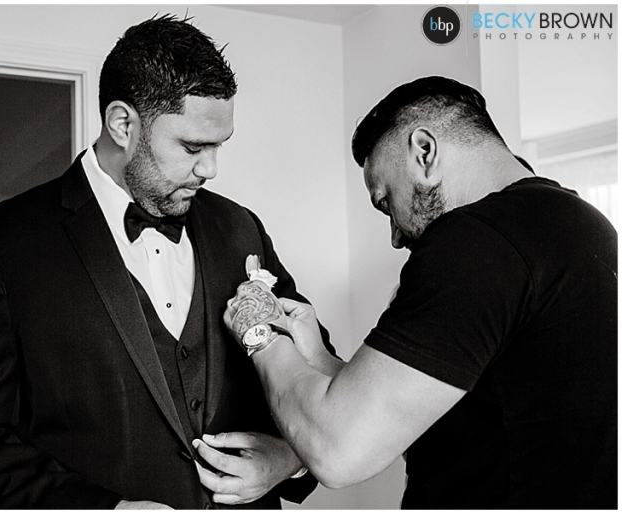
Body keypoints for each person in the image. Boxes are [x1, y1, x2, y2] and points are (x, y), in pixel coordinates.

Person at [0, 14, 334, 509]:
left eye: (219, 146)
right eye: (193, 147)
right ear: (122, 124)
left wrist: (288, 458)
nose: (211, 169)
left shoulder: (240, 228)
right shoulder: (3, 243)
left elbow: (320, 385)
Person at [223, 76, 617, 509]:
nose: (395, 236)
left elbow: (340, 452)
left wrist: (261, 334)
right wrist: (316, 356)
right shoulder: (583, 224)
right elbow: (417, 415)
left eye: (386, 202)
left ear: (424, 151)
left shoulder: (475, 241)